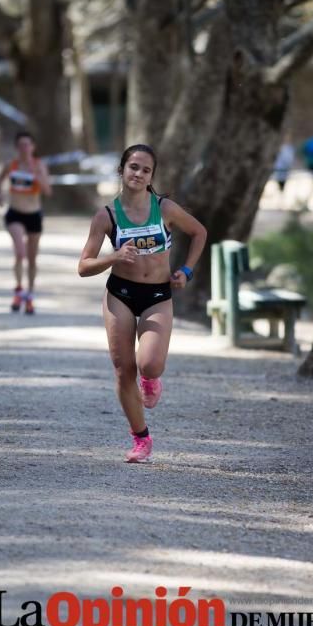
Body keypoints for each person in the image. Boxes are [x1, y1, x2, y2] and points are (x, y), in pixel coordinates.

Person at [78, 144, 207, 463]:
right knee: (124, 371)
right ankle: (141, 439)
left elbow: (199, 232)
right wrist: (114, 257)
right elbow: (84, 266)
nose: (138, 173)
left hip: (157, 296)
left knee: (149, 364)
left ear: (151, 177)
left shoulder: (164, 208)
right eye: (133, 167)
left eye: (146, 170)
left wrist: (186, 271)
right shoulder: (106, 216)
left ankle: (151, 379)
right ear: (121, 170)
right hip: (120, 294)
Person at [0, 131, 52, 314]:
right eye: (21, 145)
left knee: (32, 259)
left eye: (28, 145)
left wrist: (38, 175)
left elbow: (47, 191)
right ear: (16, 147)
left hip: (34, 215)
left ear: (33, 147)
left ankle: (30, 294)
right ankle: (18, 290)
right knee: (20, 253)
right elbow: (0, 179)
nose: (24, 148)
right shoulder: (11, 165)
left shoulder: (39, 165)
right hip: (15, 214)